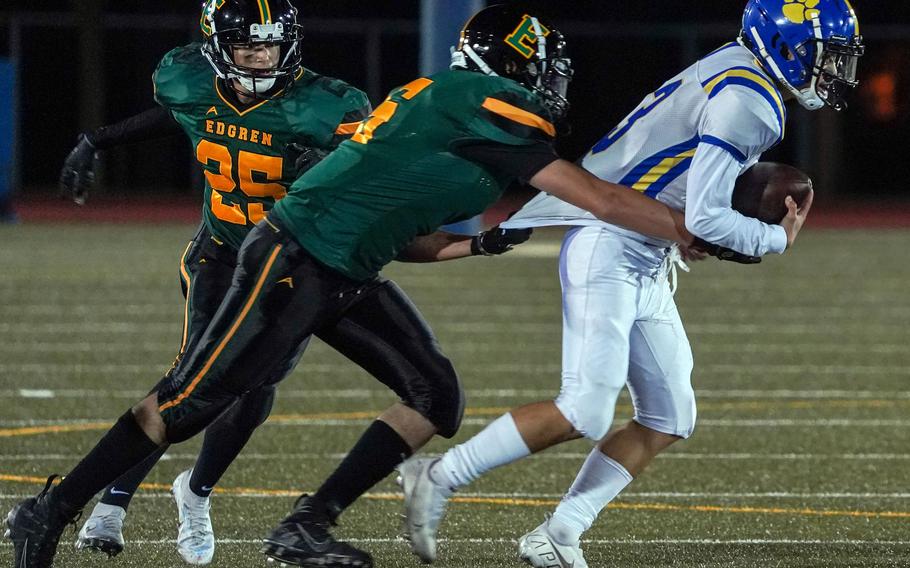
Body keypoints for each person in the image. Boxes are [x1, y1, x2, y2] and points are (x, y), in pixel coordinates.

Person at [6, 5, 706, 568]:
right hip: (294, 257)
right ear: (513, 68)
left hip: (341, 266)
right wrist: (689, 227)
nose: (553, 83)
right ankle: (56, 507)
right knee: (193, 399)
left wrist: (475, 244)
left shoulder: (454, 113)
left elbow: (396, 228)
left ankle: (306, 524)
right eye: (544, 68)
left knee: (436, 395)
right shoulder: (484, 104)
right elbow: (602, 200)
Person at [57, 1, 533, 565]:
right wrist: (101, 139)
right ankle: (111, 502)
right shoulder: (187, 78)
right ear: (215, 48)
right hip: (219, 253)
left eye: (269, 43)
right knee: (194, 384)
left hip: (293, 262)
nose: (260, 55)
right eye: (246, 45)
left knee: (249, 389)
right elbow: (190, 113)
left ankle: (195, 491)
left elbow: (366, 194)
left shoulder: (331, 107)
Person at [398, 1, 860, 567]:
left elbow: (686, 188)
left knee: (670, 414)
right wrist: (772, 240)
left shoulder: (738, 68)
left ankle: (559, 533)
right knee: (584, 410)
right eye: (828, 57)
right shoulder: (751, 100)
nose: (834, 70)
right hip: (610, 245)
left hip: (641, 248)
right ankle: (439, 476)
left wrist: (693, 225)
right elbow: (710, 219)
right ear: (789, 47)